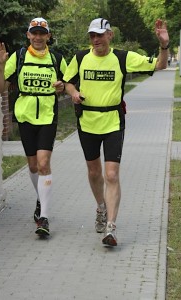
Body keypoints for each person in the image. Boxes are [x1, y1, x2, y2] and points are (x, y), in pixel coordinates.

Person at [63, 18, 169, 247]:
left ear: (110, 35)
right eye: (92, 35)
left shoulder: (123, 57)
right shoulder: (81, 58)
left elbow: (160, 65)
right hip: (87, 122)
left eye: (100, 35)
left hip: (113, 121)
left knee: (111, 174)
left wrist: (163, 45)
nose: (96, 39)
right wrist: (73, 92)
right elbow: (67, 82)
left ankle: (111, 226)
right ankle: (101, 207)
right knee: (94, 172)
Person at [0, 17, 67, 237]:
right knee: (33, 166)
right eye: (34, 33)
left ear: (48, 36)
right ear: (28, 35)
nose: (38, 37)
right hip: (25, 117)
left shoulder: (57, 59)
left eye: (42, 33)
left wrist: (63, 86)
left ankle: (43, 217)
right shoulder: (19, 57)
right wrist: (1, 65)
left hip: (47, 116)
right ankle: (40, 197)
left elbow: (69, 82)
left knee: (44, 164)